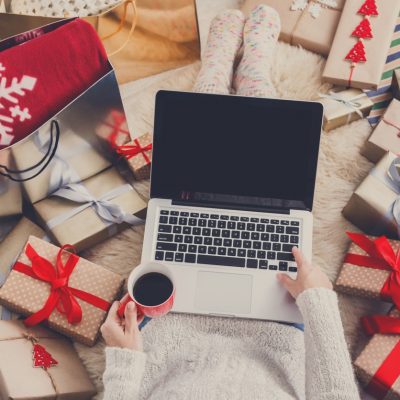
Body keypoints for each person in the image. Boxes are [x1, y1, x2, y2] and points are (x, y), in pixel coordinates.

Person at [101, 6, 360, 399]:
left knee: (198, 156)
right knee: (267, 157)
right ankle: (251, 78)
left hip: (171, 330)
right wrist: (317, 299)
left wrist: (122, 364)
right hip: (275, 334)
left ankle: (215, 77)